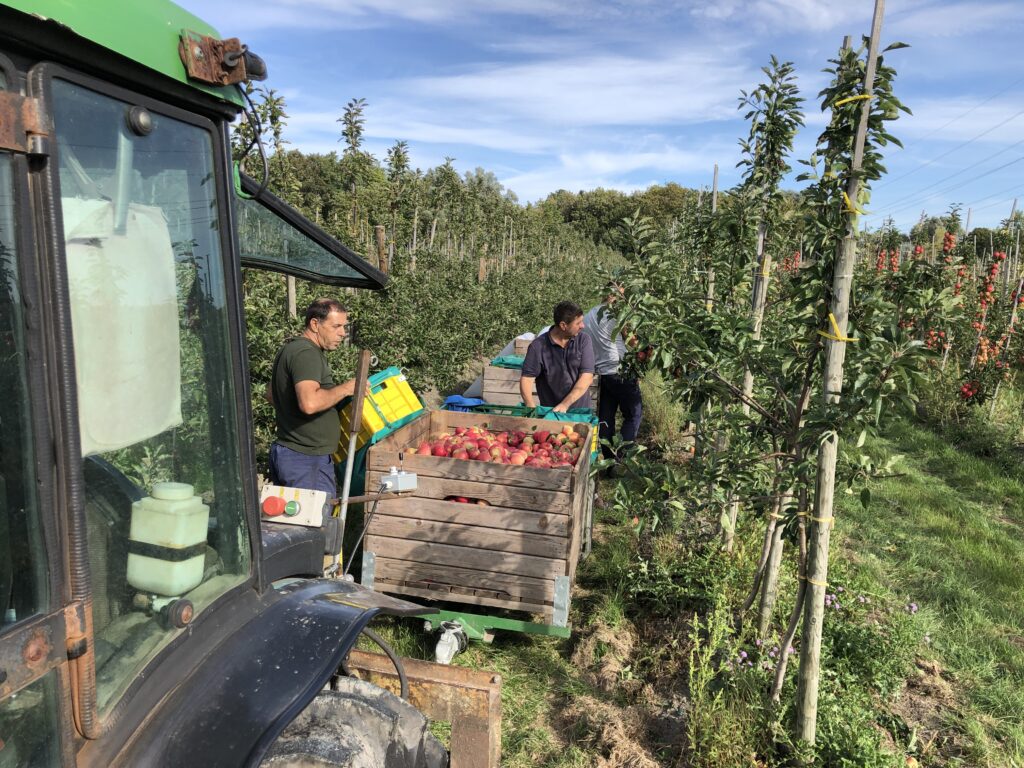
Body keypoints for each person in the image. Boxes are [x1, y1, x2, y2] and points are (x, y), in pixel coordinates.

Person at [266, 298, 364, 496]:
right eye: (336, 326)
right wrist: (346, 389)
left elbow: (271, 394)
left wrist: (293, 416)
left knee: (292, 522)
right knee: (312, 523)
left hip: (294, 456)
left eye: (344, 327)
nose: (343, 333)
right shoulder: (306, 353)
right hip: (306, 460)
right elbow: (310, 403)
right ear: (314, 324)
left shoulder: (293, 349)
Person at [583, 285, 643, 462]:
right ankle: (620, 456)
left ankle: (609, 460)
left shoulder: (590, 315)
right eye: (622, 294)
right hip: (621, 370)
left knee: (606, 417)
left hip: (603, 373)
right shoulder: (618, 314)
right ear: (614, 295)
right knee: (634, 413)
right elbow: (633, 342)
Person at [520, 301, 595, 412]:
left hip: (579, 414)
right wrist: (531, 408)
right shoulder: (538, 346)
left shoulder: (583, 340)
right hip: (551, 414)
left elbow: (587, 377)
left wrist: (565, 404)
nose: (582, 326)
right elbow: (527, 379)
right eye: (578, 323)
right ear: (563, 325)